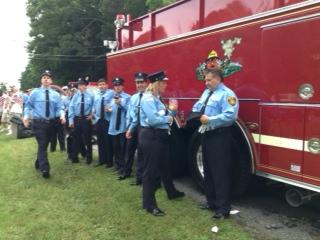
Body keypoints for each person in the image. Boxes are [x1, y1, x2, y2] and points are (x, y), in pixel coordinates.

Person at [192, 67, 239, 220]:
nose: (206, 83)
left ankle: (223, 208)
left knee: (220, 173)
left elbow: (230, 116)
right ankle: (211, 202)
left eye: (209, 80)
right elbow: (198, 106)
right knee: (209, 170)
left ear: (218, 79)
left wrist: (210, 119)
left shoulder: (227, 94)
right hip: (206, 135)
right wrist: (195, 112)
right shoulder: (207, 92)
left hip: (220, 137)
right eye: (205, 80)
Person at [139, 70, 184, 217]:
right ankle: (149, 204)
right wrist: (169, 118)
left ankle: (171, 192)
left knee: (165, 166)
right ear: (156, 83)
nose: (166, 84)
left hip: (160, 135)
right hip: (151, 136)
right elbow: (153, 120)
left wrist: (172, 111)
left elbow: (164, 116)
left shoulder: (157, 98)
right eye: (163, 82)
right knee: (150, 171)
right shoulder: (148, 99)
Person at [23, 70, 65, 178]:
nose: (46, 79)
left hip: (51, 124)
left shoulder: (56, 95)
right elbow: (28, 106)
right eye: (44, 77)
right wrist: (26, 116)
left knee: (44, 145)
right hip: (39, 123)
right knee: (42, 144)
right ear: (41, 80)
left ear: (51, 80)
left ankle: (38, 162)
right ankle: (45, 169)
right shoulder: (35, 93)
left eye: (48, 77)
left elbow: (59, 108)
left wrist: (62, 115)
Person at [118, 72, 148, 185]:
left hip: (144, 128)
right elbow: (130, 114)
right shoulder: (134, 97)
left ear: (146, 83)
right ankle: (126, 172)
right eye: (137, 82)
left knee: (141, 154)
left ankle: (140, 179)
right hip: (133, 127)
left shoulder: (150, 96)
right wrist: (128, 128)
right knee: (129, 151)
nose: (139, 85)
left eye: (141, 82)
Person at [68, 78, 94, 164]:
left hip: (86, 119)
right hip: (77, 119)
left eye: (82, 85)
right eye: (79, 85)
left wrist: (92, 114)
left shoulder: (91, 95)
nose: (80, 86)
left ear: (86, 86)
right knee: (76, 139)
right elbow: (71, 107)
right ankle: (75, 157)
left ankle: (89, 158)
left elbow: (94, 106)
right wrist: (71, 120)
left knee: (87, 139)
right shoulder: (75, 96)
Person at [107, 77, 130, 174]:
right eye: (115, 86)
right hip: (113, 126)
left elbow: (129, 110)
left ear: (122, 86)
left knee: (123, 148)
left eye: (119, 85)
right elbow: (109, 112)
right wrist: (107, 110)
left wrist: (120, 103)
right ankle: (118, 165)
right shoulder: (111, 98)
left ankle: (124, 167)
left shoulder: (127, 97)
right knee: (115, 147)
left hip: (122, 127)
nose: (117, 87)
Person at [92, 78, 113, 167]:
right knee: (100, 141)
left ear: (106, 85)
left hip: (107, 120)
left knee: (107, 141)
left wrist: (110, 108)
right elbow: (94, 105)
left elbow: (113, 103)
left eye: (103, 84)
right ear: (98, 86)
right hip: (98, 120)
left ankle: (109, 162)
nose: (102, 86)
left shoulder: (111, 93)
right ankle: (101, 160)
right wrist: (93, 112)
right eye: (100, 85)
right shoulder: (96, 94)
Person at [50, 87, 66, 152]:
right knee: (52, 135)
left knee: (61, 135)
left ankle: (62, 148)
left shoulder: (61, 99)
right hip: (52, 118)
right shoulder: (51, 100)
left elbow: (62, 108)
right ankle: (52, 148)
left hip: (59, 118)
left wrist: (62, 116)